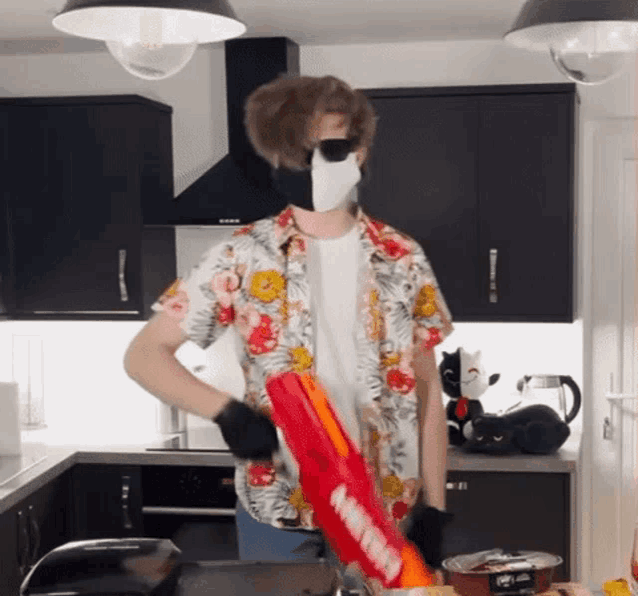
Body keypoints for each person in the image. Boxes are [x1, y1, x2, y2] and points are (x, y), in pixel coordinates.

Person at [124, 74, 454, 591]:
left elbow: (429, 390)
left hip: (386, 508)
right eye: (294, 154)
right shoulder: (240, 254)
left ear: (360, 151)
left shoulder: (402, 256)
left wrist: (435, 510)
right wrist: (226, 411)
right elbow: (145, 354)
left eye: (328, 148)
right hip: (279, 505)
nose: (312, 167)